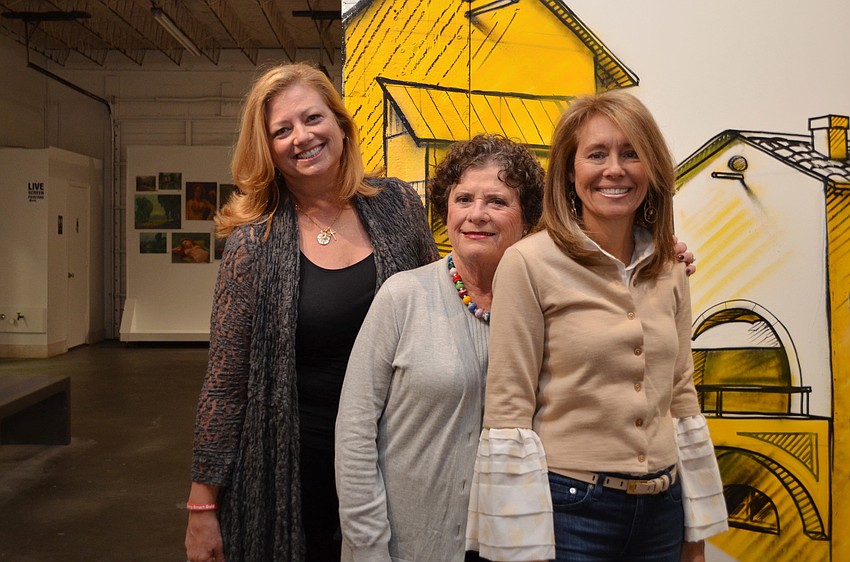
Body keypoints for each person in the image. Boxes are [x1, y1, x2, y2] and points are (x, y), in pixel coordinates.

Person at [184, 62, 438, 562]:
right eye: (282, 130)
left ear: (340, 125)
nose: (301, 137)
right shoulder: (253, 242)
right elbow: (225, 381)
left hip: (397, 455)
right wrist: (201, 505)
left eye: (312, 118)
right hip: (297, 467)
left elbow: (437, 310)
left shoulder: (398, 205)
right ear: (268, 149)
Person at [466, 91, 728, 562]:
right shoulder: (528, 263)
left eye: (631, 153)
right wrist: (513, 542)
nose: (614, 169)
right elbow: (509, 407)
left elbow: (681, 394)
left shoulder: (669, 266)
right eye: (596, 154)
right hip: (571, 513)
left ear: (652, 167)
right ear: (570, 171)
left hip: (663, 512)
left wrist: (696, 533)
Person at [335, 134, 544, 562]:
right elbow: (354, 431)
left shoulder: (542, 304)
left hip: (507, 544)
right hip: (404, 546)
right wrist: (367, 544)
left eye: (497, 201)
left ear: (527, 219)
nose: (476, 214)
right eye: (463, 199)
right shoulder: (402, 296)